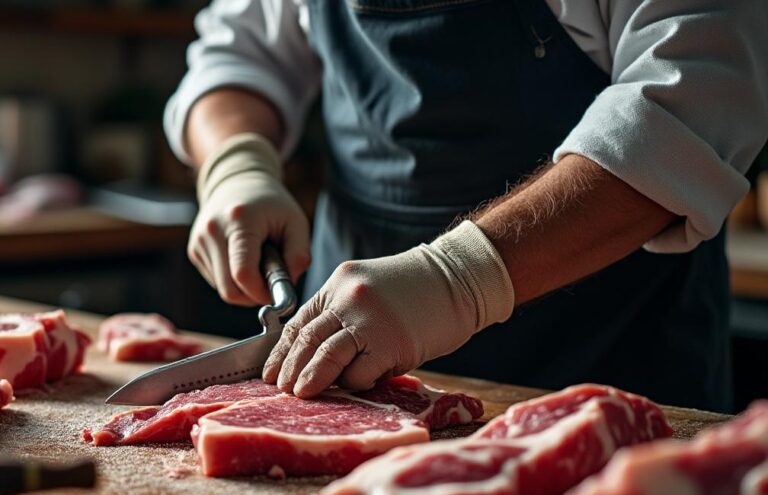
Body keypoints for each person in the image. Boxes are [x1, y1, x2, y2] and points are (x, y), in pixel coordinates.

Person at [164, 0, 768, 411]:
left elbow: (690, 102)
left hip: (607, 371)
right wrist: (235, 164)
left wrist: (458, 279)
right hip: (349, 373)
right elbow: (239, 54)